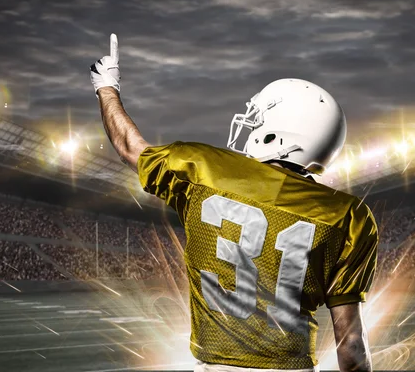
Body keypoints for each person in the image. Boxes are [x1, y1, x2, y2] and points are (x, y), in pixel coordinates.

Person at [90, 34, 378, 372]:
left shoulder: (201, 168)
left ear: (277, 131)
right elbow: (351, 346)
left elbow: (129, 147)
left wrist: (106, 88)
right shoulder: (348, 215)